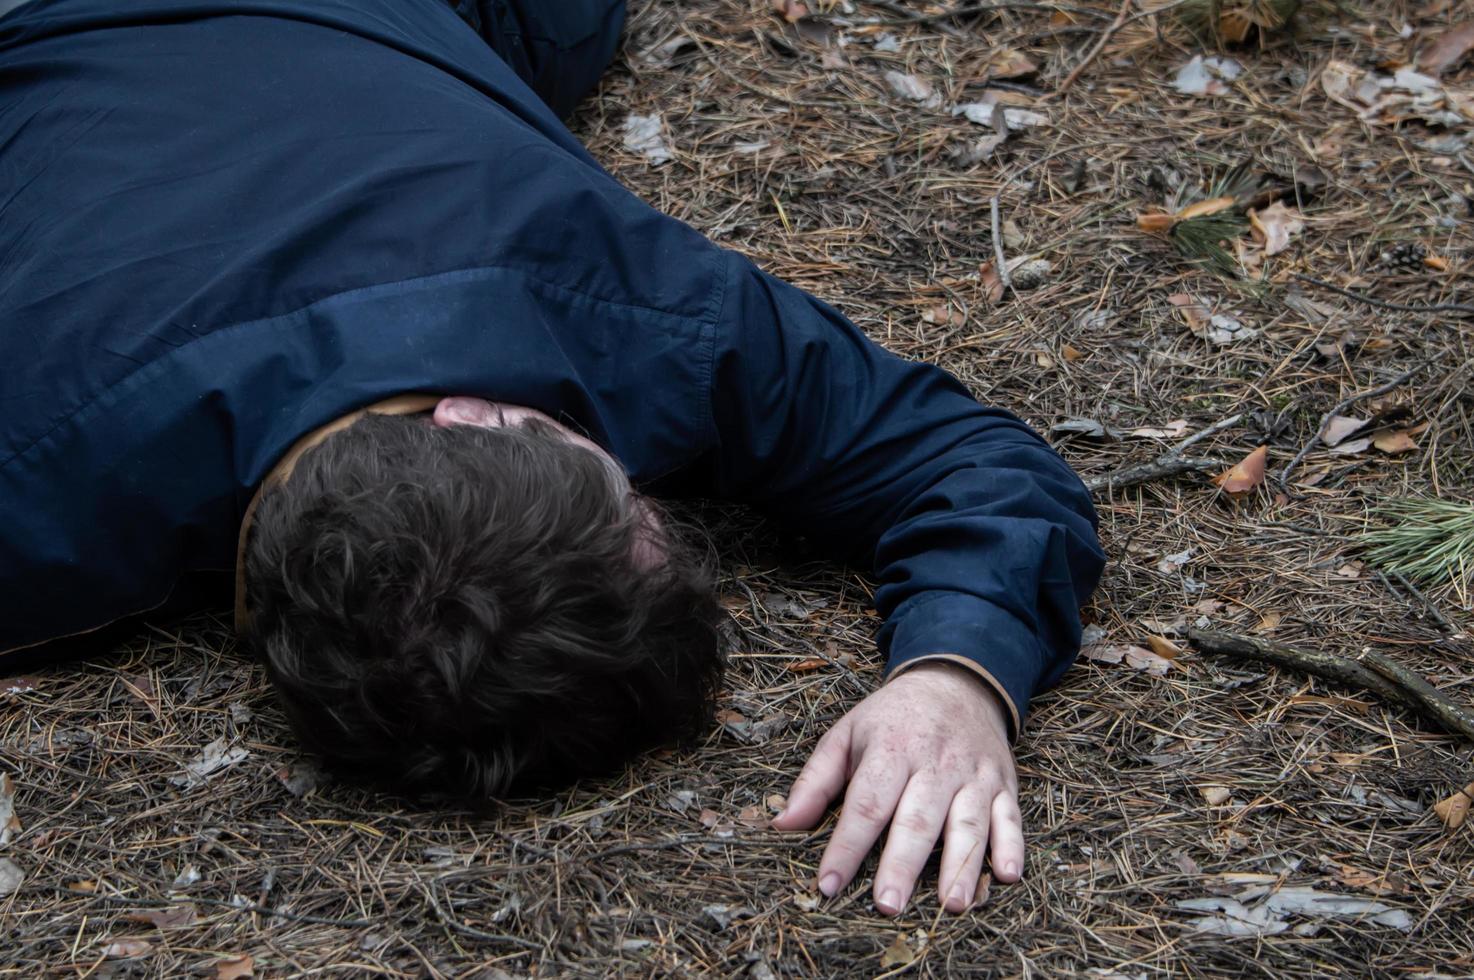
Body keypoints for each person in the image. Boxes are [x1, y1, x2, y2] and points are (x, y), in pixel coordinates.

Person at [0, 0, 1104, 917]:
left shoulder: (37, 488)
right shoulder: (36, 507)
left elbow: (955, 454)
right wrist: (958, 666)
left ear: (478, 419)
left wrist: (958, 671)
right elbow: (963, 459)